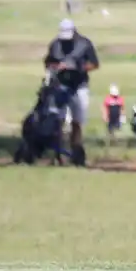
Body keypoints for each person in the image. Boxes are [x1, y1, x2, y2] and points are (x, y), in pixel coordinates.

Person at [43, 18, 100, 166]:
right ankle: (58, 154)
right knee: (58, 120)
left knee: (77, 121)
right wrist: (57, 66)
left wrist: (78, 66)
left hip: (79, 86)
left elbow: (94, 64)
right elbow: (47, 62)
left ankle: (77, 153)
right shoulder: (55, 45)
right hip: (60, 86)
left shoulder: (84, 44)